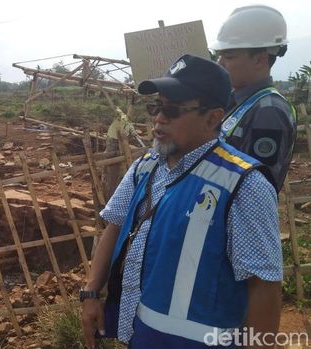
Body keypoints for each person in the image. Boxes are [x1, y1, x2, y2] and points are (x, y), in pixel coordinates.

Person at [80, 55, 282, 349]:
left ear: (213, 118)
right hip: (142, 337)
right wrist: (91, 293)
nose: (159, 118)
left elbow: (264, 284)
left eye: (172, 110)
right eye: (156, 107)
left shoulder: (244, 184)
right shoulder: (145, 167)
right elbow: (114, 225)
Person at [211, 5, 297, 192]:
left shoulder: (269, 110)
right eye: (220, 55)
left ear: (260, 60)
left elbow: (255, 187)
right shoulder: (238, 102)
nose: (221, 63)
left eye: (229, 56)